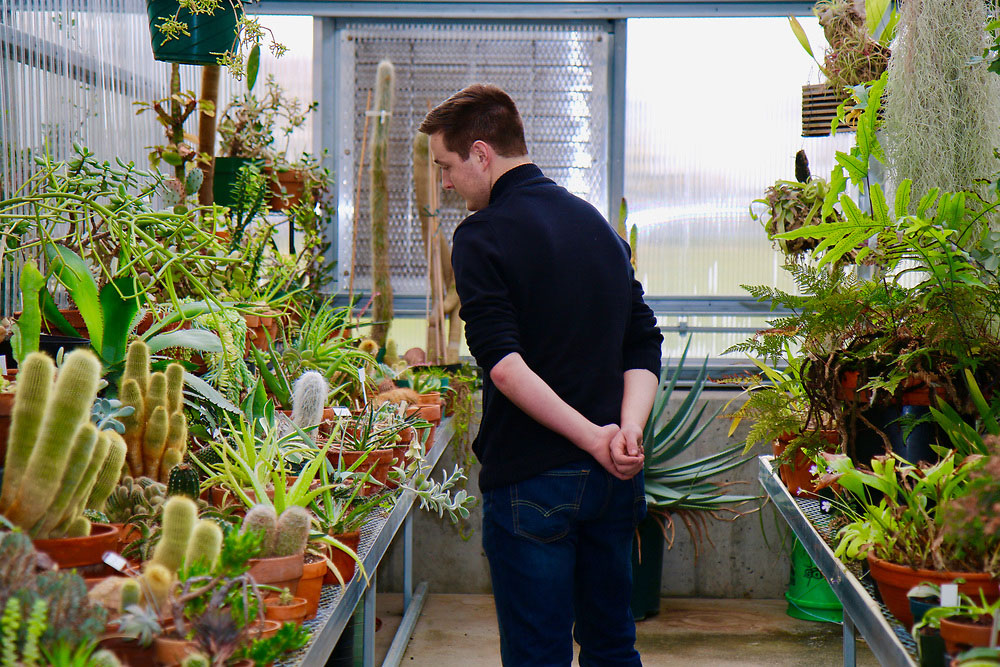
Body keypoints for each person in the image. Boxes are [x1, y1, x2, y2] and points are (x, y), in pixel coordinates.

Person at [419, 84, 663, 666]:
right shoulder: (598, 227)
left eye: (446, 167)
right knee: (611, 645)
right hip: (613, 482)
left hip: (534, 483)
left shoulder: (480, 236)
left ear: (482, 153)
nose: (446, 184)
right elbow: (643, 341)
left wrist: (594, 439)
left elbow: (504, 368)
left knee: (538, 656)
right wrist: (624, 432)